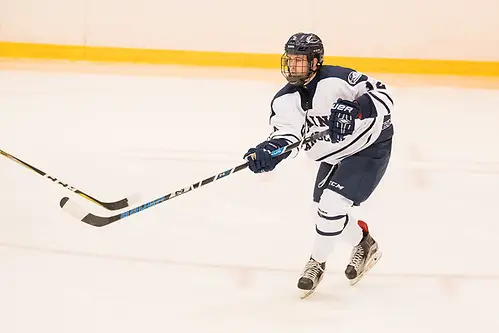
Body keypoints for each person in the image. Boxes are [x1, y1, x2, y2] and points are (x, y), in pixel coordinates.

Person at [244, 32, 394, 298]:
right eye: (289, 60)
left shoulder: (338, 79)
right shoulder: (284, 100)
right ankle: (365, 244)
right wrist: (269, 153)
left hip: (367, 148)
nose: (292, 66)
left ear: (315, 62)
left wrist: (356, 108)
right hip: (332, 155)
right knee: (321, 213)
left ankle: (316, 263)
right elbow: (287, 137)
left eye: (299, 60)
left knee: (331, 206)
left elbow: (384, 95)